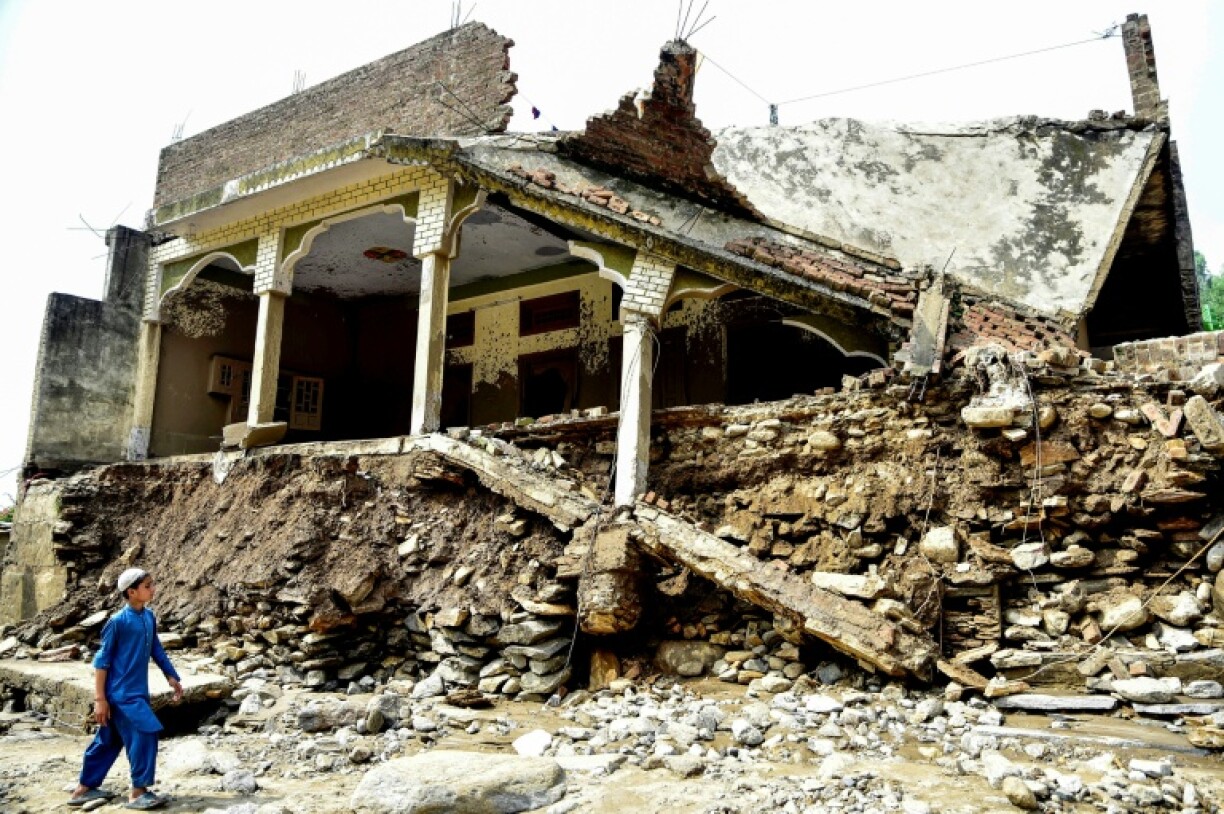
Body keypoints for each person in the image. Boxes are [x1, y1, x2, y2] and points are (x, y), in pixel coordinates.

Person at [67, 568, 183, 810]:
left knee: (108, 740)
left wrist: (171, 676)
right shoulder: (117, 622)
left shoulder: (148, 617)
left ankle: (83, 790)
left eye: (152, 584)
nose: (153, 589)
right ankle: (138, 792)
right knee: (146, 731)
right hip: (121, 695)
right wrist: (100, 699)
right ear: (131, 592)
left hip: (137, 692)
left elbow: (156, 650)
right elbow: (102, 661)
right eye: (148, 586)